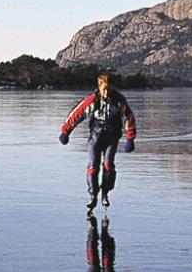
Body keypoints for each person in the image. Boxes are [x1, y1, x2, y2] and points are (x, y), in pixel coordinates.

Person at [58, 72, 137, 212]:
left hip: (112, 138)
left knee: (108, 164)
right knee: (93, 165)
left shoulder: (119, 101)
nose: (106, 93)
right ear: (99, 88)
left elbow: (129, 118)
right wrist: (66, 132)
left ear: (112, 88)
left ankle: (105, 193)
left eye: (108, 89)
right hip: (95, 137)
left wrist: (130, 138)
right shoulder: (93, 100)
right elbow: (77, 114)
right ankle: (93, 195)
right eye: (103, 90)